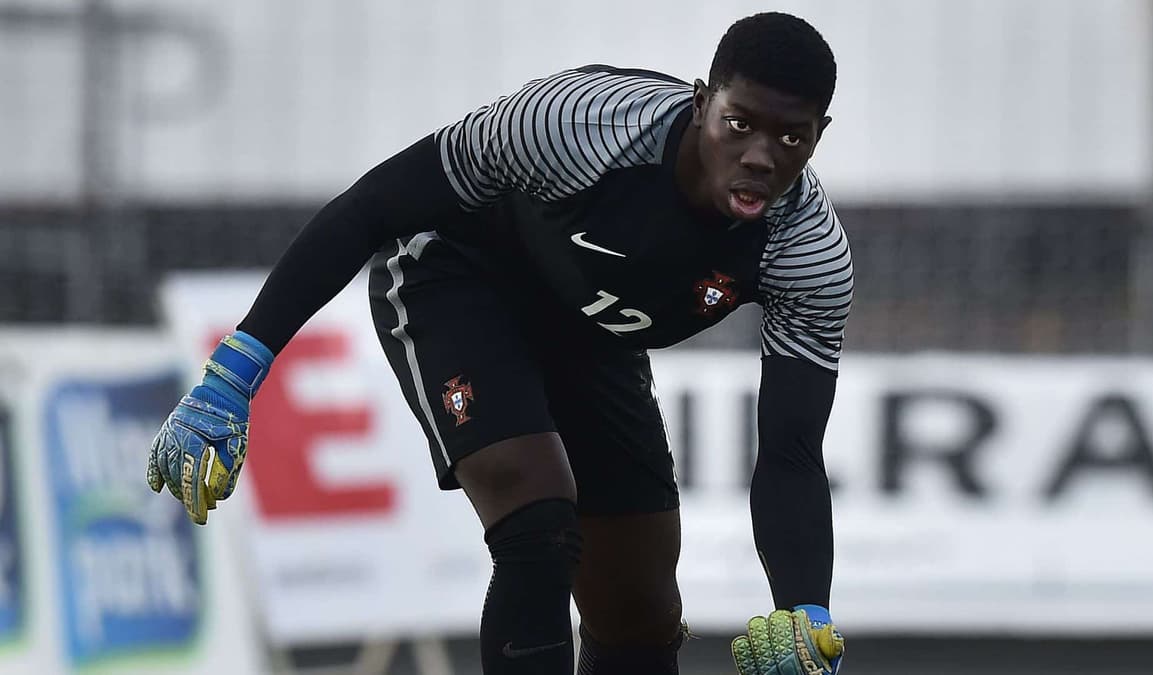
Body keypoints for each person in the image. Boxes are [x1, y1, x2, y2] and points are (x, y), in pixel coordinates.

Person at [148, 11, 851, 675]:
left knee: (639, 608)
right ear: (701, 102)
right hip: (458, 274)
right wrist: (235, 369)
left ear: (819, 133)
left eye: (791, 139)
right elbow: (370, 210)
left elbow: (790, 450)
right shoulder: (579, 125)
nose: (761, 157)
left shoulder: (807, 253)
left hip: (588, 328)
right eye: (739, 124)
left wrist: (803, 608)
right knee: (538, 519)